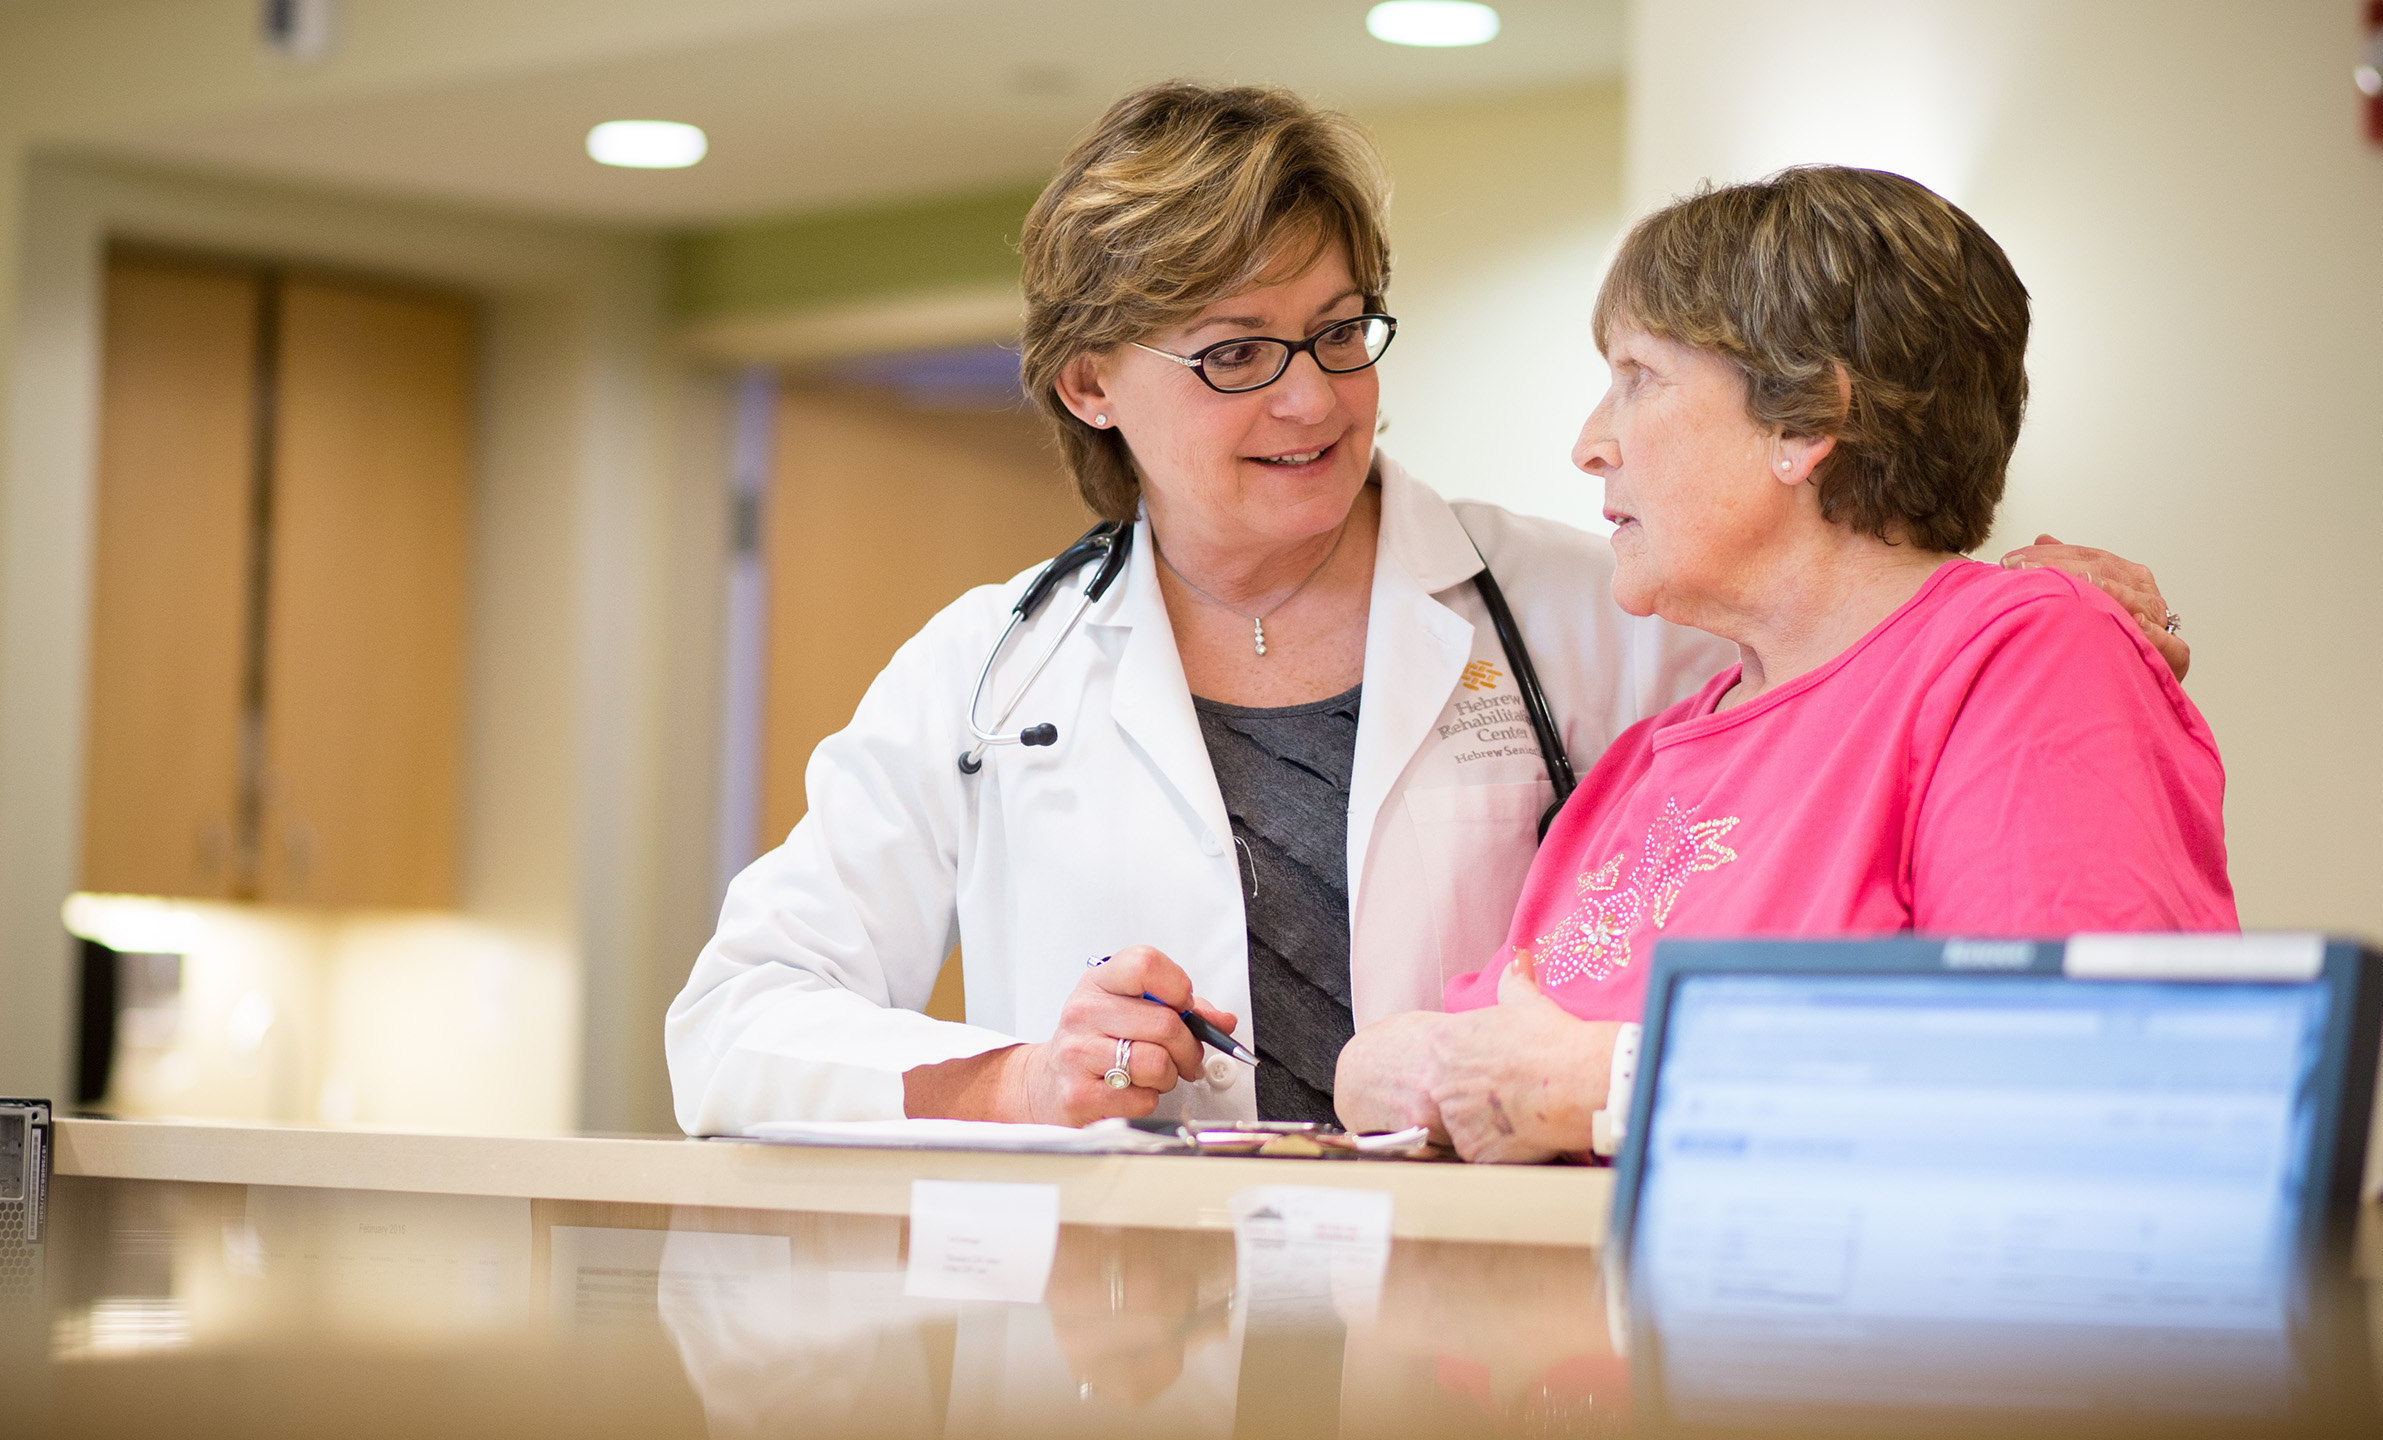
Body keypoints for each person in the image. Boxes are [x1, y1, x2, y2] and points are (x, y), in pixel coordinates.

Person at [665, 85, 2186, 1135]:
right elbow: (732, 1026)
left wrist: (1997, 602)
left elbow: (1855, 656)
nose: (1315, 398)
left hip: (1488, 1324)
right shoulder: (984, 671)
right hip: (1124, 1338)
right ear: (1090, 382)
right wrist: (1020, 1079)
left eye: (1339, 332)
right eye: (1238, 353)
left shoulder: (1593, 611)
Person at [1334, 166, 2236, 1161]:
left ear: (1804, 422)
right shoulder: (1650, 759)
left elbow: (2072, 1078)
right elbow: (1419, 1071)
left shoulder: (2022, 655)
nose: (1591, 444)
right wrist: (1399, 1068)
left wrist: (1602, 1085)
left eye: (1639, 378)